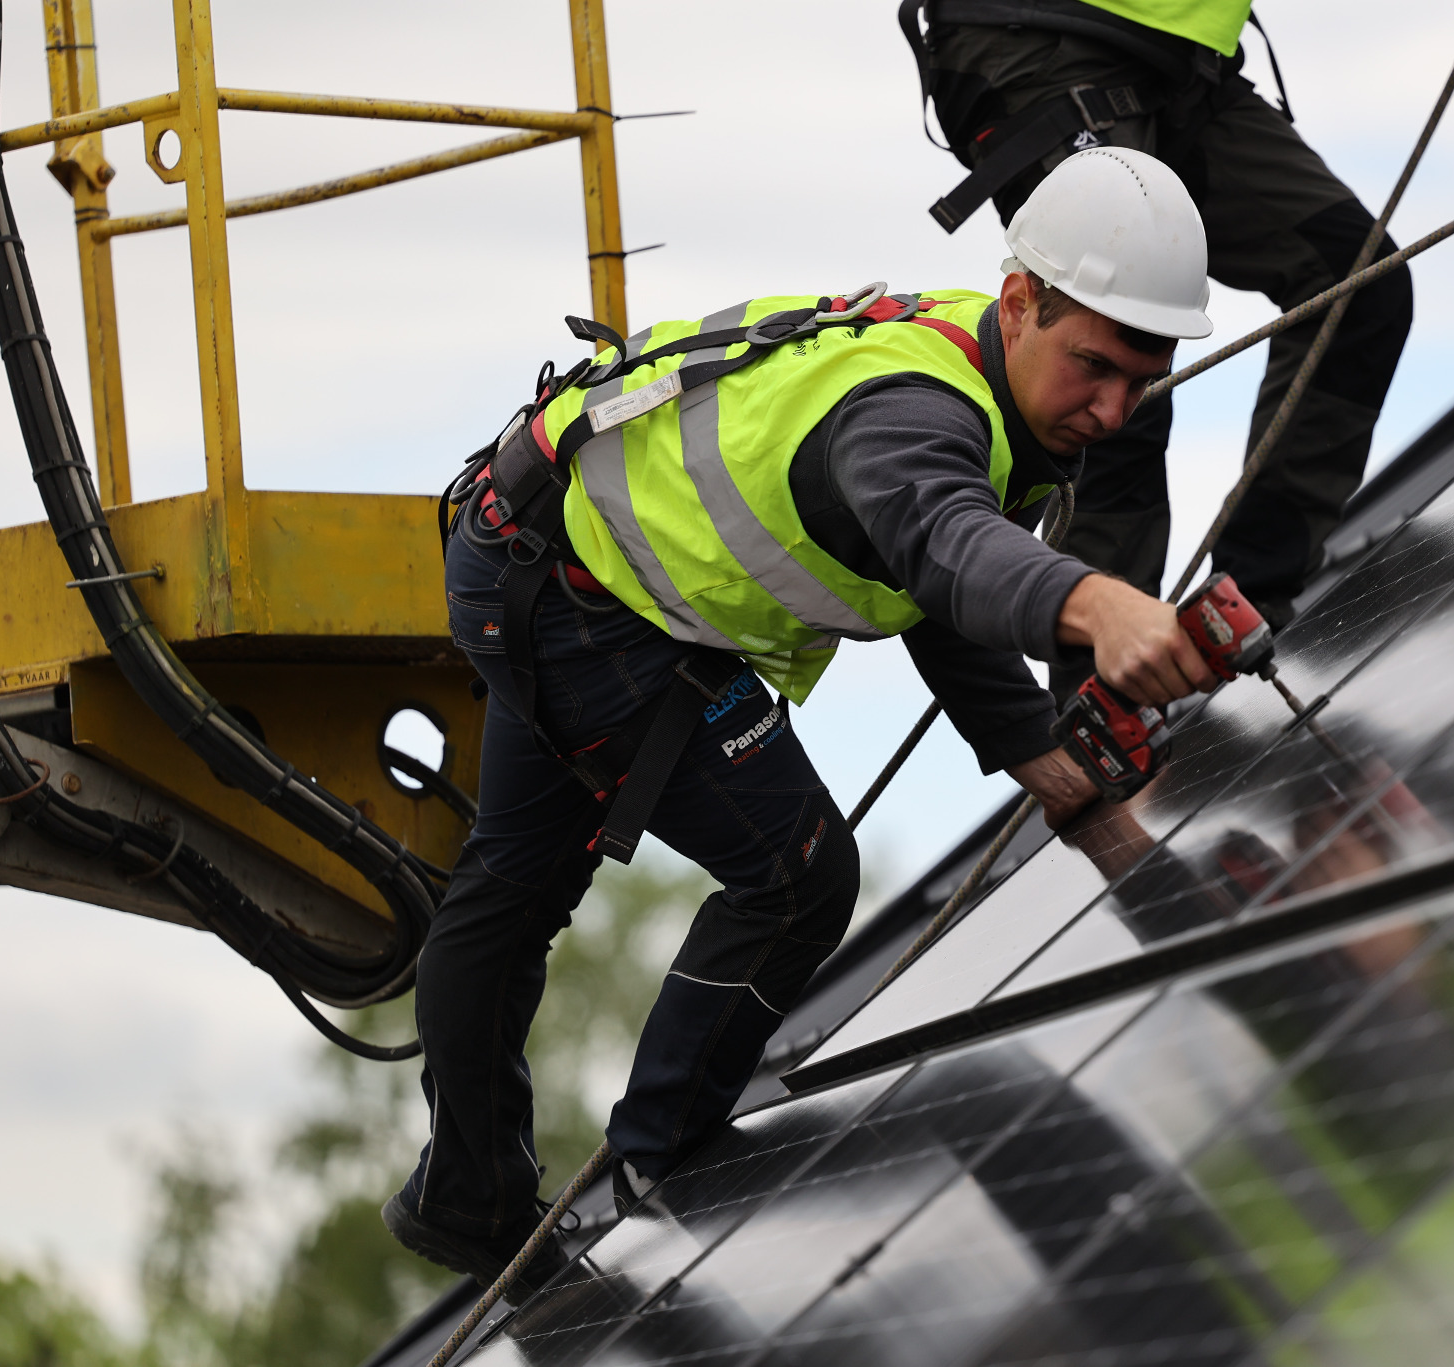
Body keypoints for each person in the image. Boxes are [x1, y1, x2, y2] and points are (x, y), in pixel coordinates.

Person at [381, 146, 1223, 1299]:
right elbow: (942, 542)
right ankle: (654, 1180)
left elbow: (931, 592)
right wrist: (1095, 602)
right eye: (1094, 366)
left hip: (546, 539)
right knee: (796, 872)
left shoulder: (993, 383)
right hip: (576, 592)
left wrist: (1076, 796)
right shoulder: (910, 414)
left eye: (1142, 378)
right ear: (1020, 301)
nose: (1114, 409)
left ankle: (465, 1197)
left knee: (513, 884)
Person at [903, 0, 1414, 643]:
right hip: (1040, 37)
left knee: (1362, 285)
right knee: (1108, 376)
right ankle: (1107, 676)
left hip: (1179, 59)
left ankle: (1240, 610)